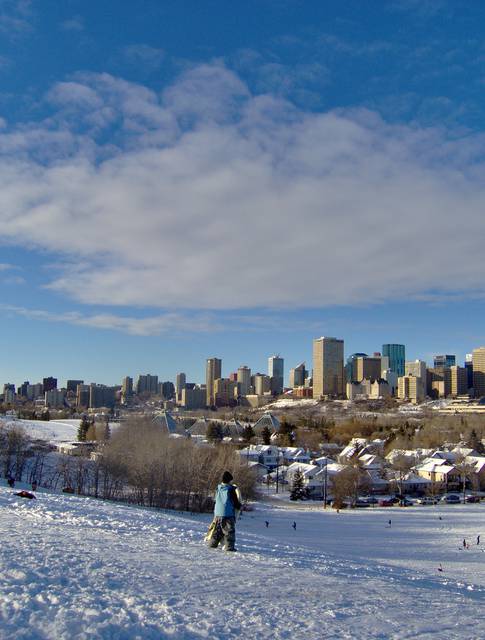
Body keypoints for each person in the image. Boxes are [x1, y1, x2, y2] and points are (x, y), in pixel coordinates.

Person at [207, 471, 241, 552]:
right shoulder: (231, 489)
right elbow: (236, 502)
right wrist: (239, 506)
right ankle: (229, 548)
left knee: (217, 531)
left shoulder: (218, 488)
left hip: (218, 513)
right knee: (229, 532)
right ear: (229, 480)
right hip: (228, 514)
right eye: (231, 481)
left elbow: (215, 499)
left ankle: (212, 544)